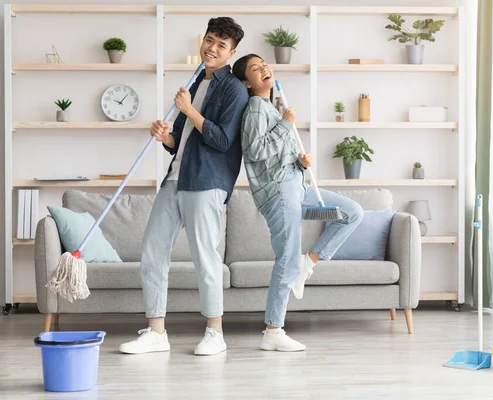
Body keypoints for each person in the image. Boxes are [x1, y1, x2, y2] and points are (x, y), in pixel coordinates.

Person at [119, 17, 249, 356]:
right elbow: (180, 141)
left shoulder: (233, 88)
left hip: (206, 182)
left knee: (205, 258)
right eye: (210, 40)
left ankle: (215, 333)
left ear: (231, 52)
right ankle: (156, 331)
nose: (213, 48)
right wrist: (165, 135)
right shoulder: (193, 83)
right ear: (201, 41)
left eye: (222, 45)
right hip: (175, 179)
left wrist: (189, 110)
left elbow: (222, 140)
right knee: (151, 253)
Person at [232, 54, 364, 352]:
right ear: (246, 83)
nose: (263, 68)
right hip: (279, 194)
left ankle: (309, 262)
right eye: (255, 69)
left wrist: (301, 162)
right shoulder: (255, 110)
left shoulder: (271, 107)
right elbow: (254, 152)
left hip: (298, 188)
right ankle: (273, 331)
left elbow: (278, 158)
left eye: (264, 64)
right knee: (286, 259)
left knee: (351, 213)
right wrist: (285, 125)